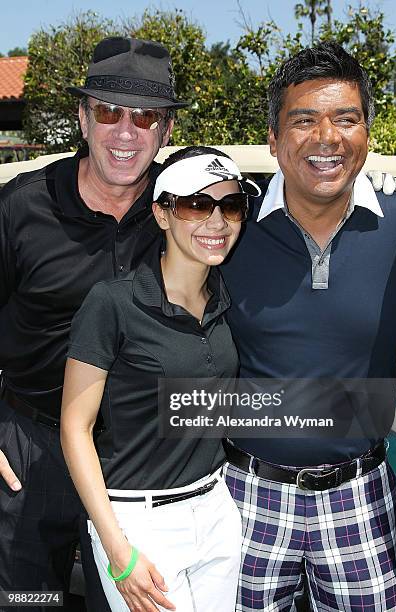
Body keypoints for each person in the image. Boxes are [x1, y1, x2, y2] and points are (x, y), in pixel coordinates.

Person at [0, 36, 187, 610]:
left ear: (165, 133)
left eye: (145, 117)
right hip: (31, 452)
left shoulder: (185, 211)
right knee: (31, 602)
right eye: (108, 112)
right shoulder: (21, 207)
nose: (125, 132)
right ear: (83, 118)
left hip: (138, 459)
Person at [222, 42, 396, 611]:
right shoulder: (222, 225)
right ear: (274, 143)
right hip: (243, 496)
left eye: (345, 119)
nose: (326, 137)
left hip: (362, 496)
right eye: (303, 120)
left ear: (367, 137)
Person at [60, 146, 261, 612]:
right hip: (138, 521)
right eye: (196, 204)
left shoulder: (227, 299)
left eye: (230, 205)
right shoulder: (112, 303)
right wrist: (117, 550)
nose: (216, 221)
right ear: (162, 214)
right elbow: (75, 428)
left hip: (216, 508)